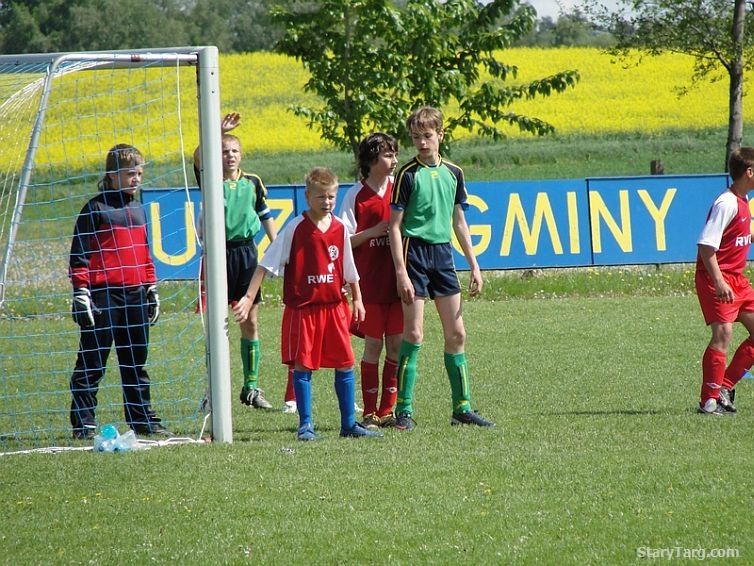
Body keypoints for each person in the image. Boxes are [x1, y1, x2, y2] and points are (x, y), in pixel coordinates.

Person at [232, 167, 382, 441]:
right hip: (304, 310)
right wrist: (248, 297)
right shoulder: (295, 228)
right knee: (303, 366)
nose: (327, 202)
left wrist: (358, 298)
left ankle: (348, 424)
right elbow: (264, 265)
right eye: (321, 197)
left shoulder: (339, 228)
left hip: (335, 307)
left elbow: (349, 268)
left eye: (331, 197)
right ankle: (306, 425)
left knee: (345, 363)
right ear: (307, 196)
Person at [388, 106, 494, 430]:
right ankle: (403, 411)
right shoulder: (407, 175)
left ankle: (461, 408)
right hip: (413, 255)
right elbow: (394, 226)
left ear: (441, 135)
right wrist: (401, 272)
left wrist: (474, 265)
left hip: (443, 256)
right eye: (417, 137)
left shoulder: (454, 173)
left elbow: (459, 222)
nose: (422, 142)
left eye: (428, 136)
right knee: (415, 333)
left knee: (457, 333)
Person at [69, 144, 170, 439]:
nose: (136, 178)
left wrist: (151, 287)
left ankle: (142, 420)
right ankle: (84, 423)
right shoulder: (94, 209)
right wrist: (81, 292)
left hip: (135, 295)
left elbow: (144, 253)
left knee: (135, 362)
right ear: (111, 175)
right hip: (103, 296)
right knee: (92, 361)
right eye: (130, 173)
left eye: (139, 173)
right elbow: (79, 256)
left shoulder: (138, 209)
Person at [194, 113, 277, 410]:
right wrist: (215, 130)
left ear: (241, 156)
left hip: (246, 254)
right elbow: (199, 155)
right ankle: (212, 390)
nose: (229, 156)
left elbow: (266, 216)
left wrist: (278, 250)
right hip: (217, 255)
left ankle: (251, 387)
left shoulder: (253, 182)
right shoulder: (210, 180)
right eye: (224, 151)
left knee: (250, 322)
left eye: (234, 152)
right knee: (217, 326)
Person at [340, 133, 401, 429]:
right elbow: (344, 240)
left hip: (399, 283)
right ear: (372, 159)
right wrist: (375, 231)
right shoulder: (355, 195)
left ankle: (388, 410)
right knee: (373, 346)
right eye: (388, 155)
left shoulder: (400, 190)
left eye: (394, 155)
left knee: (397, 346)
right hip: (370, 285)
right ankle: (369, 412)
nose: (394, 161)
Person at [695, 146, 754, 415]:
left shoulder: (742, 201)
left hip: (737, 279)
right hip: (715, 276)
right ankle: (708, 401)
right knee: (724, 333)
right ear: (749, 172)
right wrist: (719, 282)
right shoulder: (726, 203)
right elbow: (706, 247)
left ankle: (724, 388)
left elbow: (734, 239)